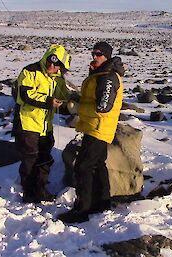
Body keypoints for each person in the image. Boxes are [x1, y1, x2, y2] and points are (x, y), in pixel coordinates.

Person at [58, 41, 125, 223]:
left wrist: (77, 107)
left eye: (99, 54)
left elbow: (103, 107)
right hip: (94, 126)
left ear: (107, 56)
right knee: (97, 165)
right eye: (93, 53)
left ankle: (82, 210)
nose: (95, 56)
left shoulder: (108, 77)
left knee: (83, 167)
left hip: (99, 128)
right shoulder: (100, 73)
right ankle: (101, 204)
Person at [12, 44, 71, 203]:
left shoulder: (57, 78)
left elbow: (64, 95)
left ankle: (40, 188)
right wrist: (48, 101)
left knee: (44, 158)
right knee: (30, 159)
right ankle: (30, 193)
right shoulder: (29, 71)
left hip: (45, 125)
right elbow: (26, 94)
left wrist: (72, 100)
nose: (52, 66)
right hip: (27, 124)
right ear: (46, 58)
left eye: (57, 64)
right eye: (50, 61)